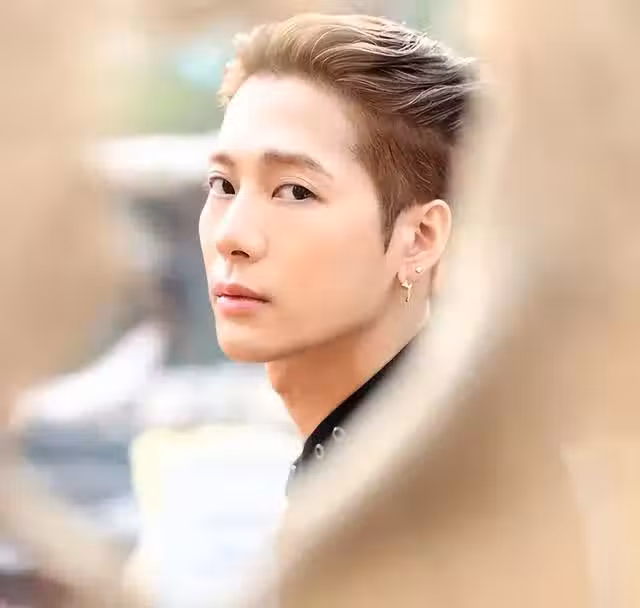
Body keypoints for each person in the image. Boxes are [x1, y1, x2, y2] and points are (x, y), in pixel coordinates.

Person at [199, 13, 474, 492]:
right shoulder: (372, 467)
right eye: (223, 185)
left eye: (295, 191)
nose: (231, 236)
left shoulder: (439, 495)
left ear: (419, 238)